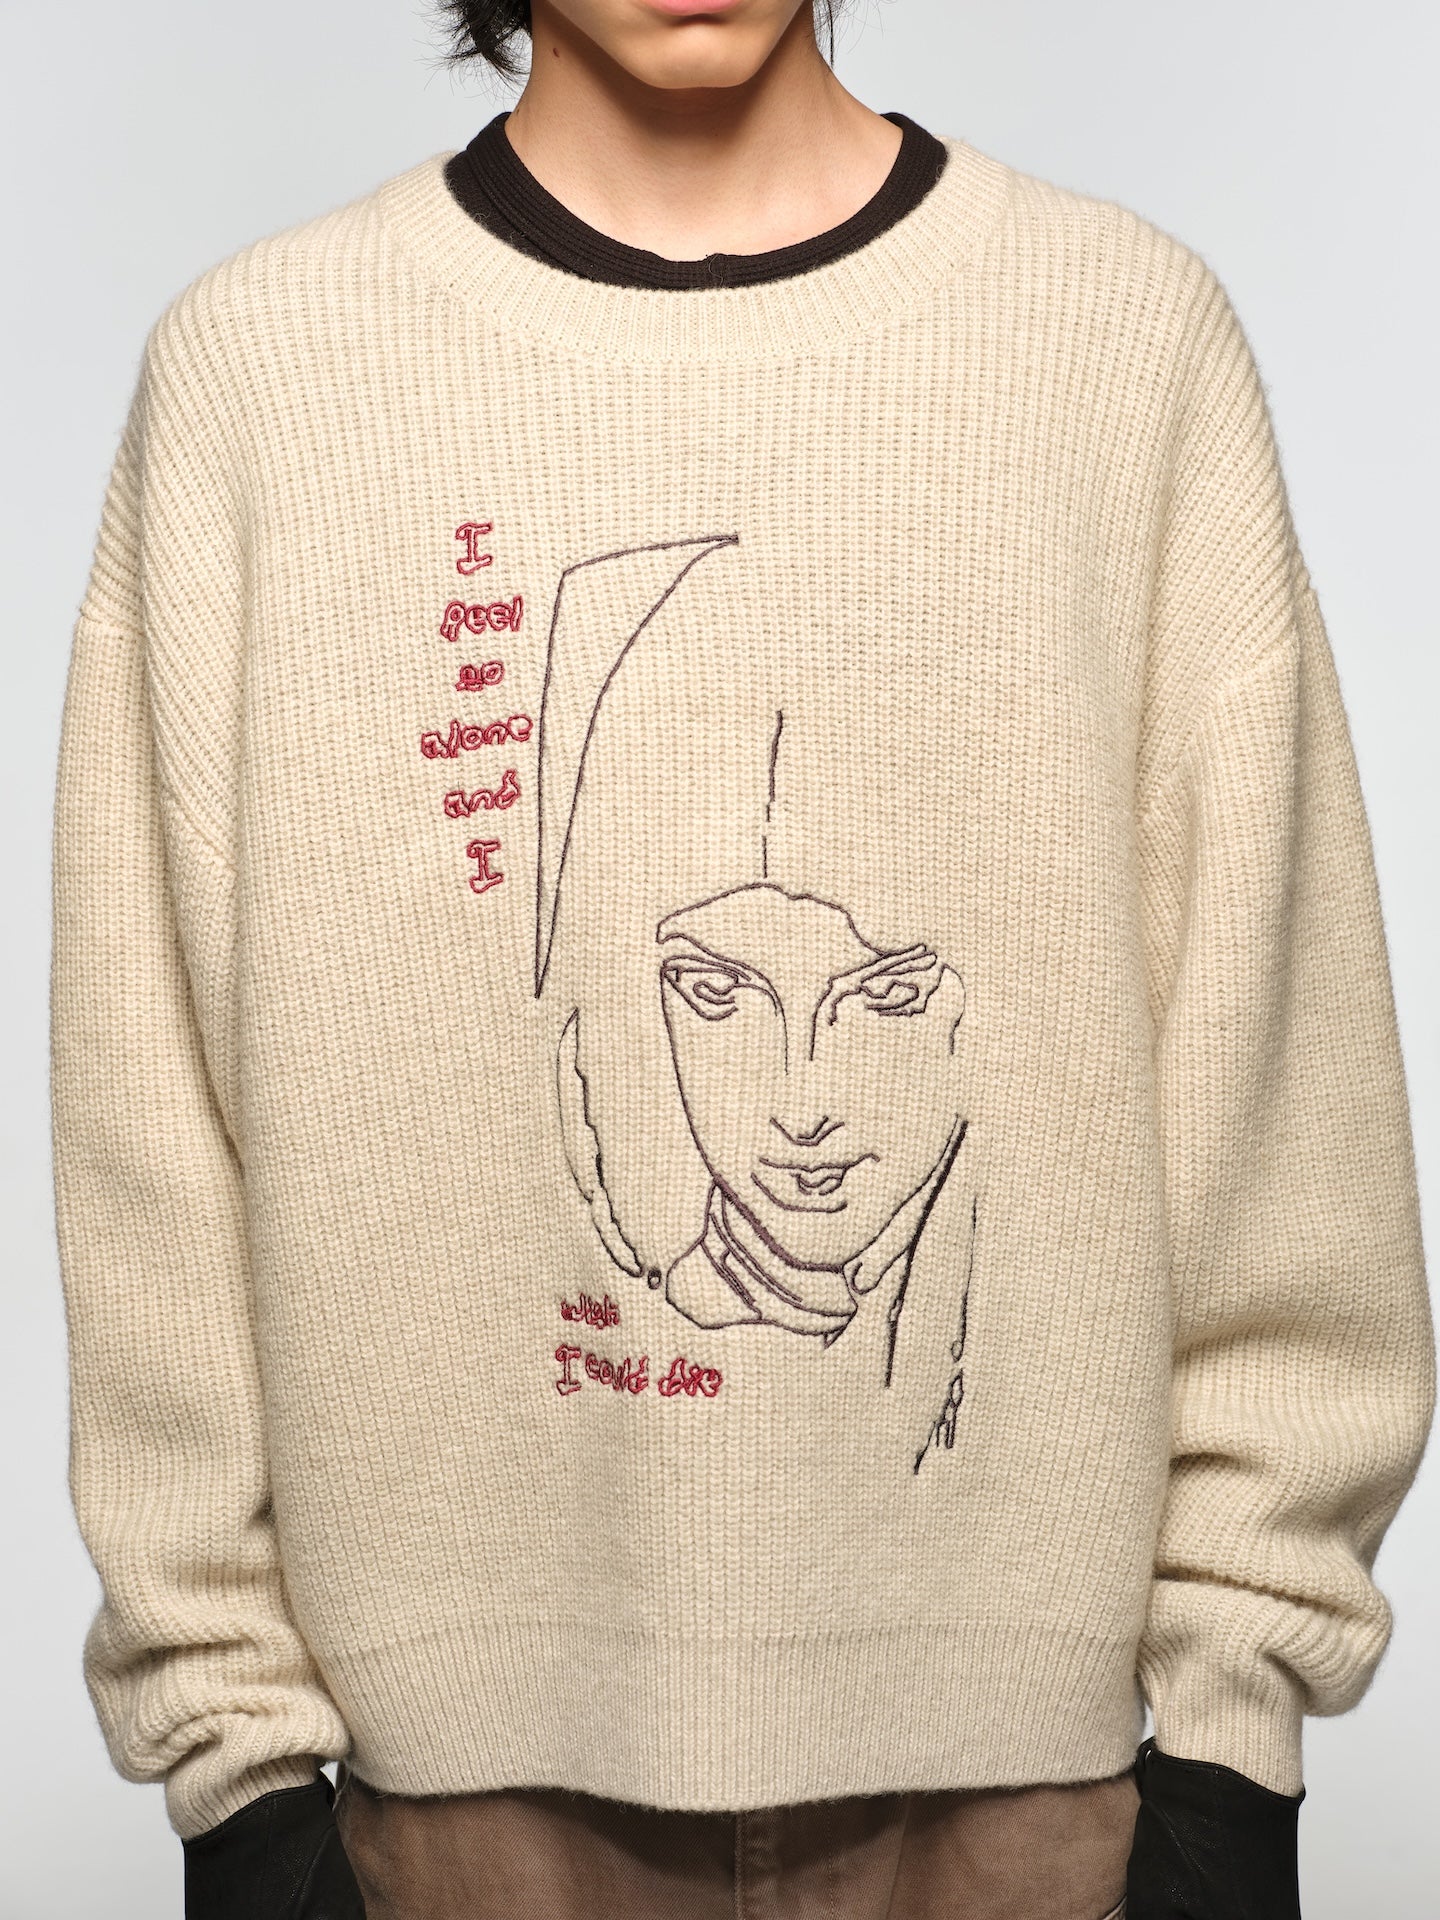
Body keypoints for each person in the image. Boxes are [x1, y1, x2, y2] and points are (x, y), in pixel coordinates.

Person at [50, 2, 1434, 1916]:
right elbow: (151, 1127)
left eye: (880, 1000)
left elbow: (1277, 1083)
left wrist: (1225, 1745)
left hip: (1041, 1809)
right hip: (449, 1822)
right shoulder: (264, 376)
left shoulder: (1119, 344)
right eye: (712, 995)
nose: (801, 1098)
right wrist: (246, 1787)